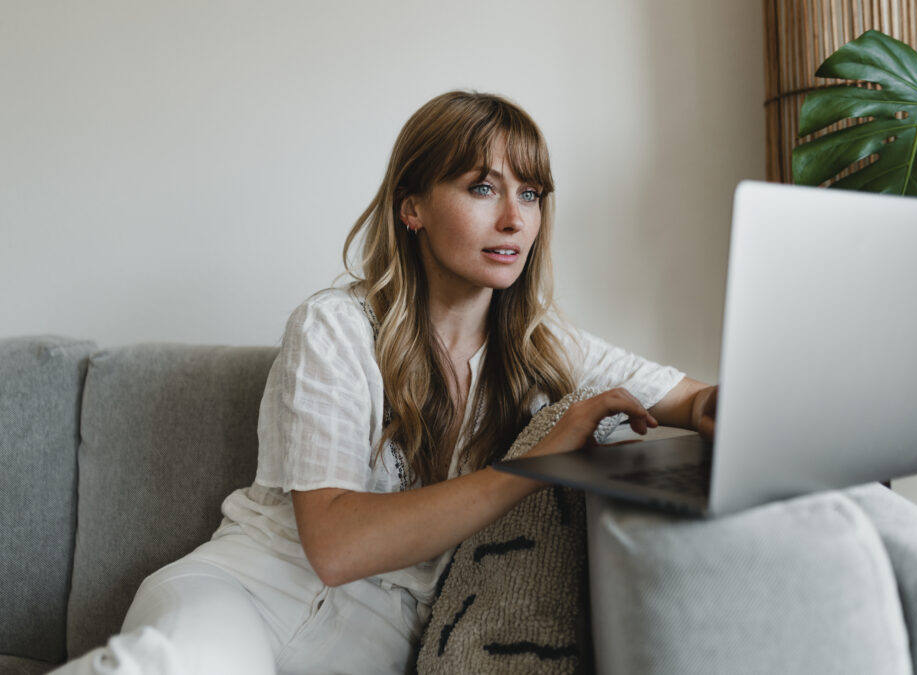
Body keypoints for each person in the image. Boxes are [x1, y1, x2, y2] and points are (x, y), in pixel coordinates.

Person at [51, 90, 717, 675]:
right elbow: (337, 546)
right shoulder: (334, 327)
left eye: (531, 193)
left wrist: (722, 406)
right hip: (248, 592)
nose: (515, 219)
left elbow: (689, 398)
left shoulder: (543, 346)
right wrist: (534, 467)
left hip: (378, 643)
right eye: (482, 187)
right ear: (412, 208)